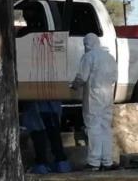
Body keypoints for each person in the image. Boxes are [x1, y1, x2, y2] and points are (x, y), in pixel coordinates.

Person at [71, 33, 118, 171]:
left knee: (93, 128)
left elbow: (82, 77)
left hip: (93, 97)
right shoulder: (110, 57)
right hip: (108, 95)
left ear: (87, 44)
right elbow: (114, 77)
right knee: (106, 128)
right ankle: (107, 161)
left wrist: (74, 86)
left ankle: (94, 162)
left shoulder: (88, 56)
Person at [22, 101, 72, 174]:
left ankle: (41, 163)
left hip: (34, 101)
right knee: (53, 126)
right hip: (52, 100)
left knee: (37, 127)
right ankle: (62, 163)